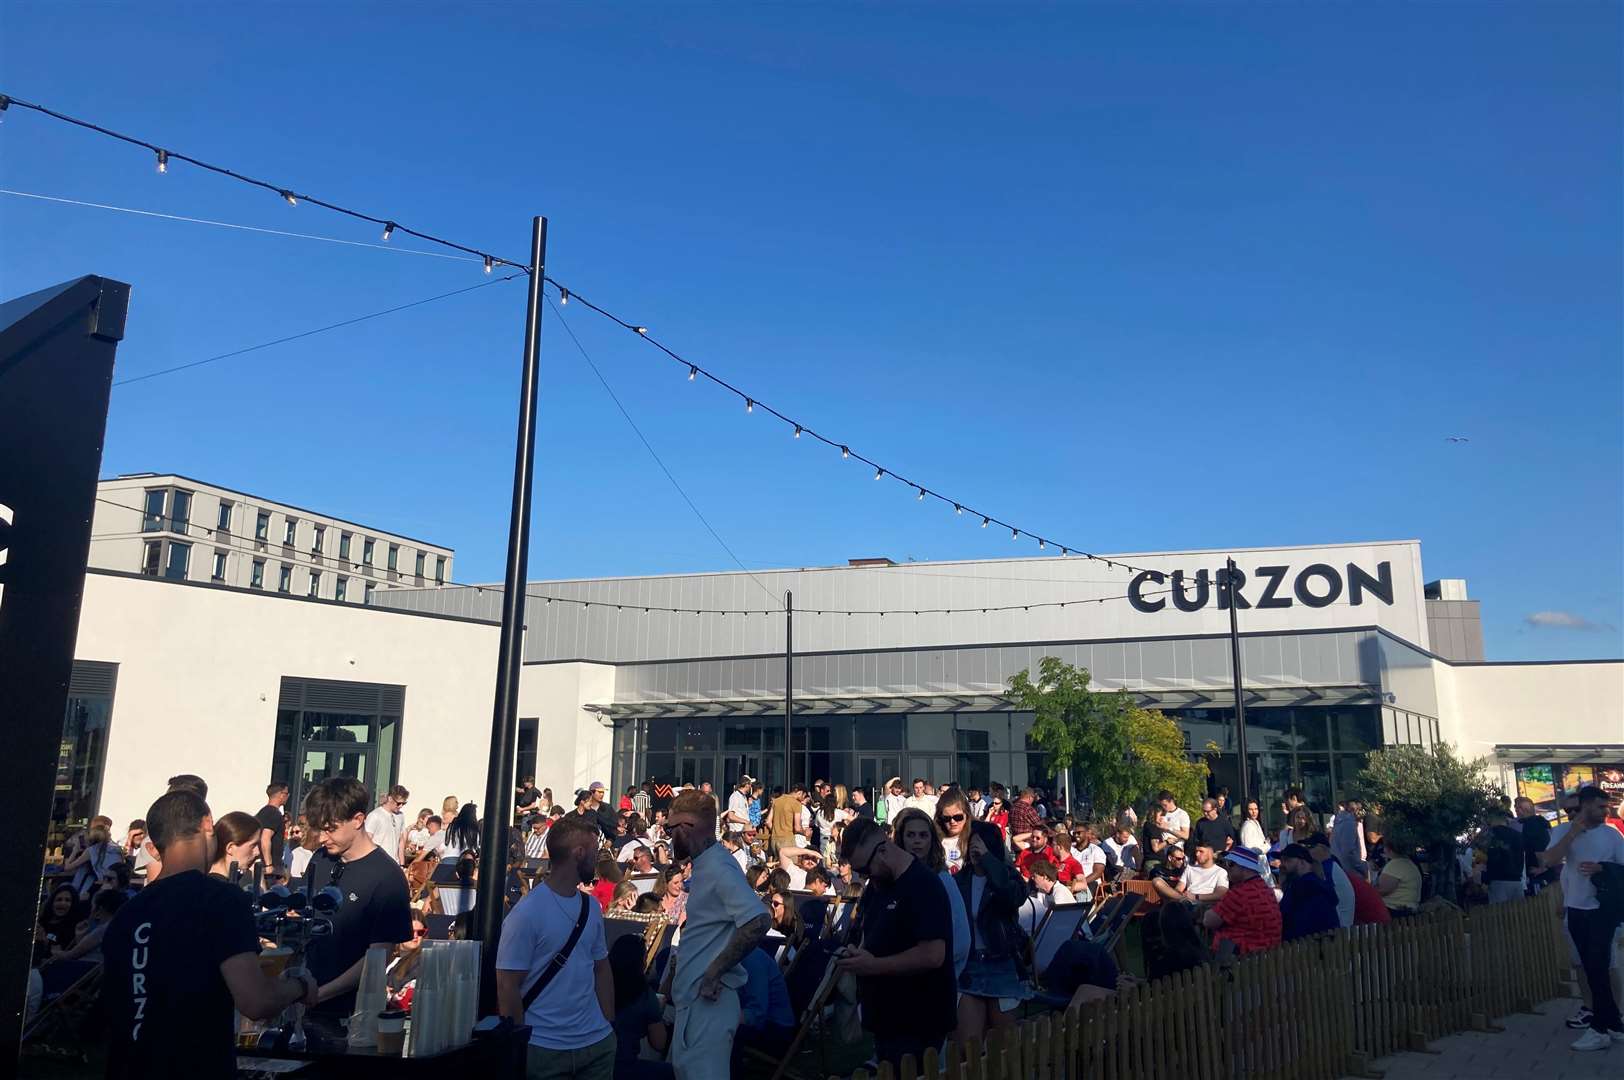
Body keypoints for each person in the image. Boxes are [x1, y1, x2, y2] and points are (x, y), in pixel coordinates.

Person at [101, 789, 316, 1078]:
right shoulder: (221, 900)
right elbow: (256, 1000)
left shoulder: (127, 914)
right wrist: (300, 986)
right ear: (207, 824)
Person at [659, 789, 769, 1080]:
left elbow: (758, 920)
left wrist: (714, 972)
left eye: (670, 828)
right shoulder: (709, 863)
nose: (669, 837)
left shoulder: (719, 866)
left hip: (709, 1005)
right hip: (697, 1003)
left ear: (687, 827)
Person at [497, 815, 616, 1079]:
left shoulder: (591, 907)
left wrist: (608, 1023)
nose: (597, 860)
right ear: (579, 853)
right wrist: (519, 1046)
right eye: (595, 851)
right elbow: (507, 984)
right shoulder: (528, 912)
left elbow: (601, 967)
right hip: (544, 1048)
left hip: (596, 1043)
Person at [835, 817, 956, 1070]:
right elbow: (874, 936)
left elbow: (934, 954)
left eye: (865, 869)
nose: (863, 876)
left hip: (919, 1020)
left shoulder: (924, 885)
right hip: (886, 1018)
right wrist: (858, 954)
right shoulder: (876, 888)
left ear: (882, 850)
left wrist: (873, 965)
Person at [301, 777, 415, 1019]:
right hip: (305, 1000)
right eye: (319, 829)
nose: (322, 838)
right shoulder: (320, 860)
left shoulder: (388, 878)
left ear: (358, 820)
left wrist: (319, 994)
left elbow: (378, 957)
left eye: (330, 829)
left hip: (351, 1014)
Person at [1539, 785, 1624, 1050]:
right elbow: (1549, 860)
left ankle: (1599, 1028)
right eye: (1600, 807)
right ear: (1585, 807)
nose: (1605, 811)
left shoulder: (1612, 835)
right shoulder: (1563, 831)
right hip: (1575, 908)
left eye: (1606, 806)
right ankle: (1613, 1024)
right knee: (1590, 967)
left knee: (1599, 967)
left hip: (1602, 909)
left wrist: (1602, 868)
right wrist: (1573, 833)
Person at [892, 807, 972, 983]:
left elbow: (961, 939)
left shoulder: (942, 880)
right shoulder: (892, 881)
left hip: (934, 976)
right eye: (911, 835)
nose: (917, 841)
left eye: (923, 835)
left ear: (932, 840)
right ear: (901, 839)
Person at [1202, 848, 1280, 957]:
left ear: (1245, 867)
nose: (1226, 868)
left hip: (1241, 958)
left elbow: (1209, 921)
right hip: (1267, 956)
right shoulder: (1265, 889)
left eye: (1231, 864)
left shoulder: (1239, 893)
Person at [1277, 843, 1341, 941]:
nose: (1283, 865)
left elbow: (1282, 917)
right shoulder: (1319, 884)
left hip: (1306, 948)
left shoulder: (1301, 886)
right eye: (1281, 861)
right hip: (1325, 946)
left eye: (1288, 860)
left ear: (1303, 863)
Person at [1476, 805, 1526, 904]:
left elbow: (1491, 859)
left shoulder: (1489, 836)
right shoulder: (1517, 835)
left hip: (1498, 882)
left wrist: (1485, 879)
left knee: (1501, 916)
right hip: (1517, 881)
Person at [206, 811, 262, 885]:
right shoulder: (221, 890)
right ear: (230, 848)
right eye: (253, 845)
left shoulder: (206, 882)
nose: (257, 852)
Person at [1515, 796, 1553, 892]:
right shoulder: (1541, 822)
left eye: (1517, 807)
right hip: (1547, 869)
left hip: (1539, 874)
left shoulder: (1531, 825)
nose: (1516, 811)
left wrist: (1542, 868)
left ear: (1524, 810)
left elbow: (1539, 847)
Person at [366, 784, 411, 864]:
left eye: (404, 803)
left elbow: (401, 841)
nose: (401, 806)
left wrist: (402, 864)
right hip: (378, 863)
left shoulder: (400, 816)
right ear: (390, 798)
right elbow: (367, 841)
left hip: (394, 863)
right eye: (398, 803)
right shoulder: (375, 815)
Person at [1376, 842, 1423, 916]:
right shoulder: (1409, 862)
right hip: (1409, 908)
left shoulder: (1395, 864)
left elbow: (1383, 890)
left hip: (1395, 909)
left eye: (1384, 847)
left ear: (1389, 849)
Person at [256, 782, 291, 879]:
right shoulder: (273, 813)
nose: (288, 797)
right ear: (281, 794)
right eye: (287, 794)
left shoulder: (263, 812)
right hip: (270, 870)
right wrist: (269, 865)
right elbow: (265, 838)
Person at [934, 788, 973, 874]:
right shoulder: (934, 840)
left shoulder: (977, 838)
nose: (952, 822)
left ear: (966, 815)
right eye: (946, 818)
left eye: (958, 817)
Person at [1330, 800, 1368, 878]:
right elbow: (1348, 851)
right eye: (1360, 810)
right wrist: (1363, 867)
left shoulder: (1339, 822)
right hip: (1351, 871)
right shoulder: (1349, 823)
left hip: (1340, 867)